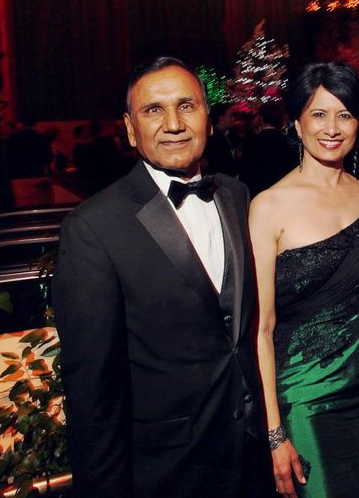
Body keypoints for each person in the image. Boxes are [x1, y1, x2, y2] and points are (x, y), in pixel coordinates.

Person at [53, 57, 268, 497]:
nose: (173, 123)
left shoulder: (239, 196)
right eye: (154, 110)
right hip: (167, 474)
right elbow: (93, 391)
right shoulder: (95, 227)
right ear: (131, 130)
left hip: (253, 460)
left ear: (208, 119)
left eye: (187, 105)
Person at [250, 61, 359, 498]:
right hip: (306, 401)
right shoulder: (268, 208)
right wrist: (274, 433)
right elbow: (260, 332)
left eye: (344, 114)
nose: (332, 128)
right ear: (297, 122)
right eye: (319, 114)